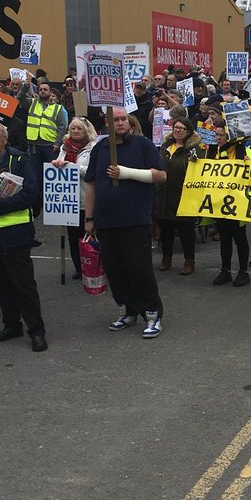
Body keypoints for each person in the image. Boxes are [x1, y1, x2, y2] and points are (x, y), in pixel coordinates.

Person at [84, 106, 167, 337]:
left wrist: (127, 173)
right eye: (115, 119)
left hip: (135, 218)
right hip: (106, 220)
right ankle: (126, 310)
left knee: (139, 268)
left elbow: (161, 175)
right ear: (107, 124)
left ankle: (152, 313)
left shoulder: (142, 145)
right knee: (115, 269)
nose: (120, 123)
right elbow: (90, 183)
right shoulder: (100, 148)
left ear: (129, 123)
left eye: (123, 119)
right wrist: (89, 217)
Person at [0, 122, 48, 351]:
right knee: (1, 283)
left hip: (16, 233)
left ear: (5, 139)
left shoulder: (20, 160)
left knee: (23, 285)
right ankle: (12, 325)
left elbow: (31, 193)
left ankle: (36, 331)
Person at [154, 117, 204, 274]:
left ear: (188, 132)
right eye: (176, 127)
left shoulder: (195, 150)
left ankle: (189, 261)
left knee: (186, 231)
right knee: (166, 230)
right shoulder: (165, 147)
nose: (178, 130)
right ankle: (166, 258)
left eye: (182, 128)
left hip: (185, 196)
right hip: (164, 195)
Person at [52, 116, 98, 279]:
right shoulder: (65, 147)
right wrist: (56, 164)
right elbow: (59, 164)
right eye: (73, 128)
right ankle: (79, 267)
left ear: (86, 130)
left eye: (79, 128)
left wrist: (73, 168)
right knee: (73, 237)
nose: (76, 131)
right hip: (69, 200)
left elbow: (94, 171)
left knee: (91, 234)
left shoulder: (94, 148)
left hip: (87, 198)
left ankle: (95, 265)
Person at [206, 125, 251, 287]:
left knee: (240, 238)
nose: (218, 138)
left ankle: (243, 272)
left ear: (230, 137)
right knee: (224, 237)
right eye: (216, 135)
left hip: (237, 202)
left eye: (221, 135)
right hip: (220, 202)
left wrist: (249, 163)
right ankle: (225, 271)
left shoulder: (243, 152)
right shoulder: (213, 151)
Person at [26, 80, 67, 208]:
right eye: (40, 89)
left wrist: (57, 142)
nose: (43, 91)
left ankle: (50, 204)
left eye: (45, 89)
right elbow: (20, 98)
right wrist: (25, 87)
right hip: (34, 145)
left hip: (50, 146)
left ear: (50, 92)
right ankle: (37, 203)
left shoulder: (58, 108)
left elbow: (62, 126)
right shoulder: (32, 103)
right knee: (35, 176)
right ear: (38, 92)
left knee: (50, 176)